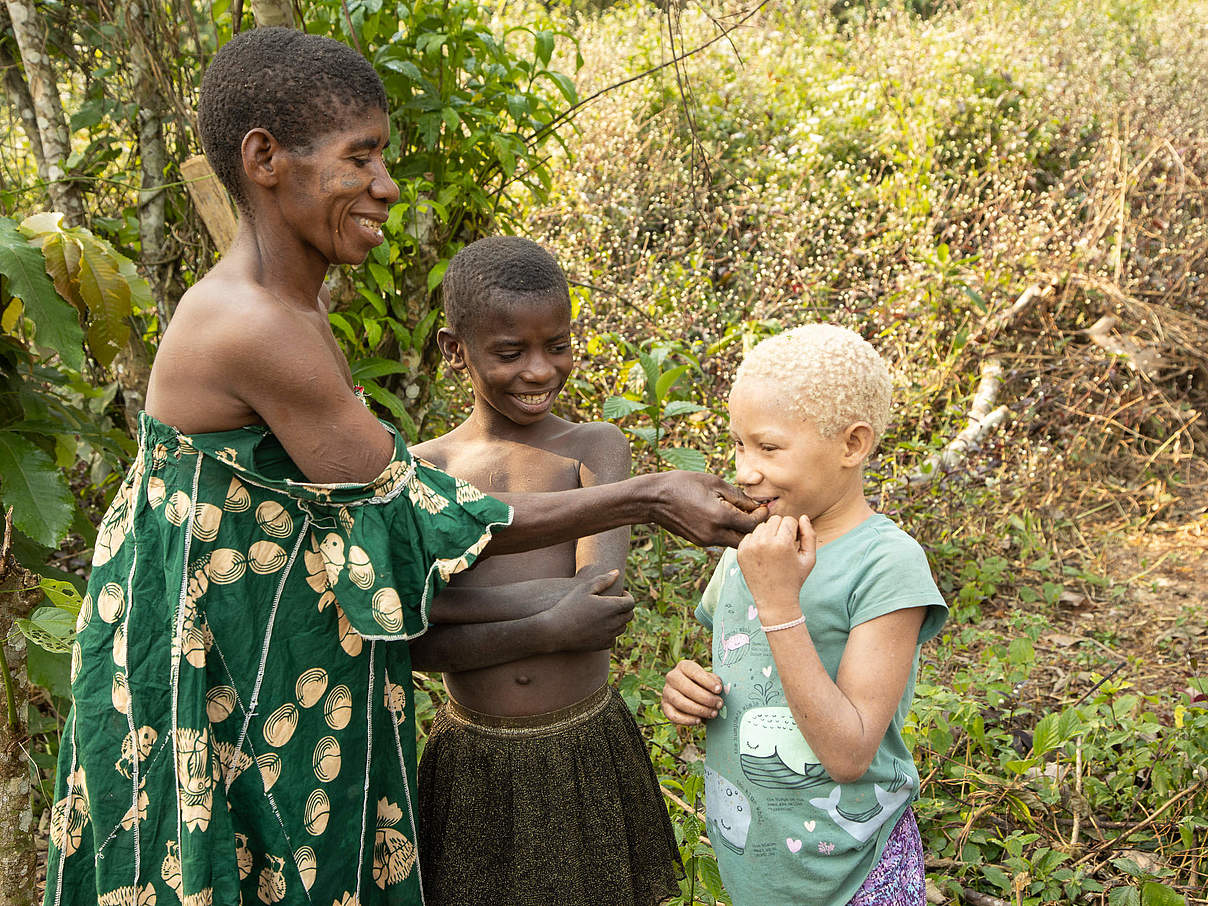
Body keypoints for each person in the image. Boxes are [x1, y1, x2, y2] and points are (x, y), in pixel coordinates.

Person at [41, 28, 761, 906]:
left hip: (264, 665)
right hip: (221, 666)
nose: (385, 185)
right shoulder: (254, 324)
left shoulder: (287, 311)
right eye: (362, 157)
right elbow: (412, 517)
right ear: (265, 158)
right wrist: (648, 496)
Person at [402, 236, 683, 905]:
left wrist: (444, 606)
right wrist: (553, 617)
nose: (539, 370)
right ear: (454, 350)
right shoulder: (424, 470)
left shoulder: (593, 449)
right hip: (474, 757)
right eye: (510, 352)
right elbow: (415, 644)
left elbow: (598, 610)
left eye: (556, 344)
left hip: (583, 746)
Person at [659, 324, 948, 906]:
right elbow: (744, 670)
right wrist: (687, 686)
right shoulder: (757, 546)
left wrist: (779, 604)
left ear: (852, 445)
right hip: (761, 870)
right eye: (738, 444)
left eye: (768, 448)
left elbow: (849, 753)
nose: (743, 470)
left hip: (853, 872)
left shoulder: (887, 565)